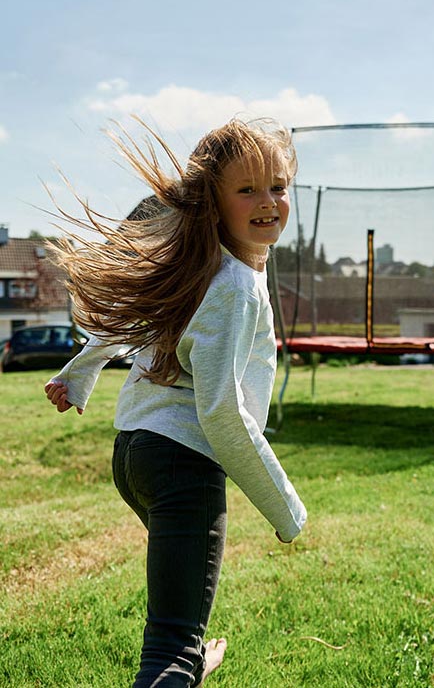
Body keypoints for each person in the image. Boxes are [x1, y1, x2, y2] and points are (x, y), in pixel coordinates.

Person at [44, 118, 307, 687]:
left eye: (278, 186)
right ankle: (183, 660)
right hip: (183, 464)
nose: (268, 202)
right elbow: (221, 412)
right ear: (212, 201)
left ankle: (193, 656)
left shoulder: (197, 266)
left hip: (134, 455)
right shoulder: (234, 285)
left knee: (181, 612)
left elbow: (133, 317)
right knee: (170, 651)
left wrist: (79, 375)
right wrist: (286, 508)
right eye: (247, 190)